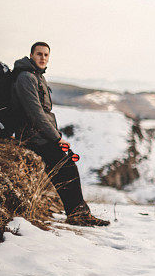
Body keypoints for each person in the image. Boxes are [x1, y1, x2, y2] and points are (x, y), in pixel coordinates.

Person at [12, 42, 109, 227]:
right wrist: (56, 138)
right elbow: (36, 113)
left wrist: (55, 136)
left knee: (67, 167)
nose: (42, 58)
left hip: (41, 134)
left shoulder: (36, 76)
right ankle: (78, 215)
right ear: (31, 55)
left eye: (46, 55)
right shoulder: (26, 77)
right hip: (32, 136)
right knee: (66, 168)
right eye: (39, 54)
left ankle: (79, 213)